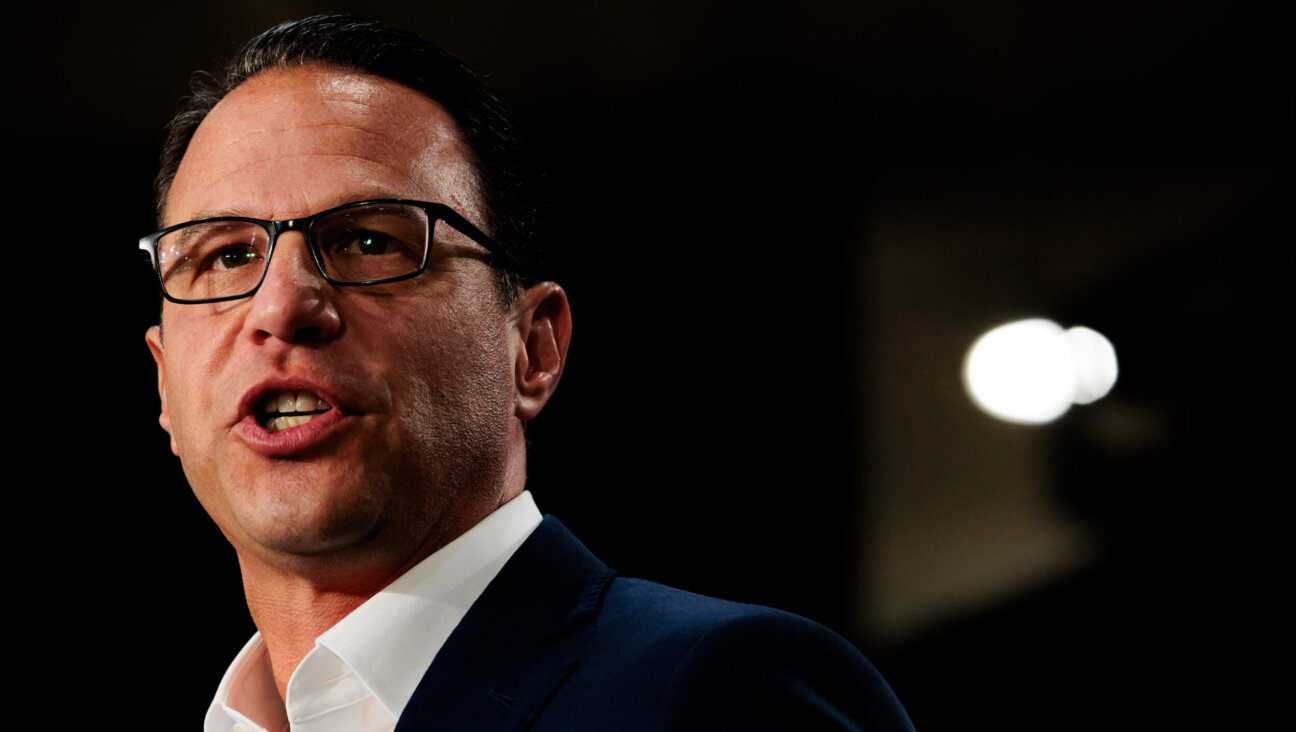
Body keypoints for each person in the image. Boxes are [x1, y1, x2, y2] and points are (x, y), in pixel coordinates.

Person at [140, 15, 913, 732]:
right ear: (165, 382)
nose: (284, 304)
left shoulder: (718, 690)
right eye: (227, 255)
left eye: (369, 241)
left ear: (533, 348)